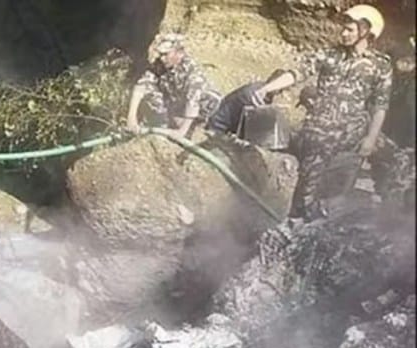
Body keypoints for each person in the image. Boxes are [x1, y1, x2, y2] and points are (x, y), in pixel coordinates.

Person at [250, 4, 393, 220]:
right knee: (306, 192)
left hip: (350, 139)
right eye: (343, 28)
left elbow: (380, 105)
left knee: (337, 194)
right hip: (318, 136)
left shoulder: (380, 66)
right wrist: (268, 88)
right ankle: (297, 223)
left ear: (366, 31)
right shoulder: (329, 55)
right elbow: (297, 73)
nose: (343, 33)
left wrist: (371, 139)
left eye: (350, 29)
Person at [126, 34, 222, 137]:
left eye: (165, 54)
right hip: (181, 106)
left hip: (208, 112)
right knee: (151, 90)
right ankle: (162, 123)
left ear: (179, 53)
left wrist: (181, 131)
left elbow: (193, 100)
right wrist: (131, 118)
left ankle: (192, 126)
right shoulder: (162, 65)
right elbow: (142, 86)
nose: (162, 58)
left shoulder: (191, 72)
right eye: (160, 54)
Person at [206, 70, 292, 136]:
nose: (281, 93)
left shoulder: (261, 90)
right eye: (280, 90)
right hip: (217, 127)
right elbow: (252, 125)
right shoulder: (255, 95)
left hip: (225, 126)